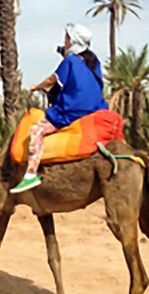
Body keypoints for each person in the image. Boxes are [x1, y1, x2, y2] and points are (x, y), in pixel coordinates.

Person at [11, 23, 108, 194]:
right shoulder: (94, 62)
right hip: (97, 109)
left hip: (73, 110)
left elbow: (53, 80)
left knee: (36, 131)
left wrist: (36, 86)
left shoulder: (70, 61)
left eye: (67, 38)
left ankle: (31, 174)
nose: (65, 41)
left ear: (73, 41)